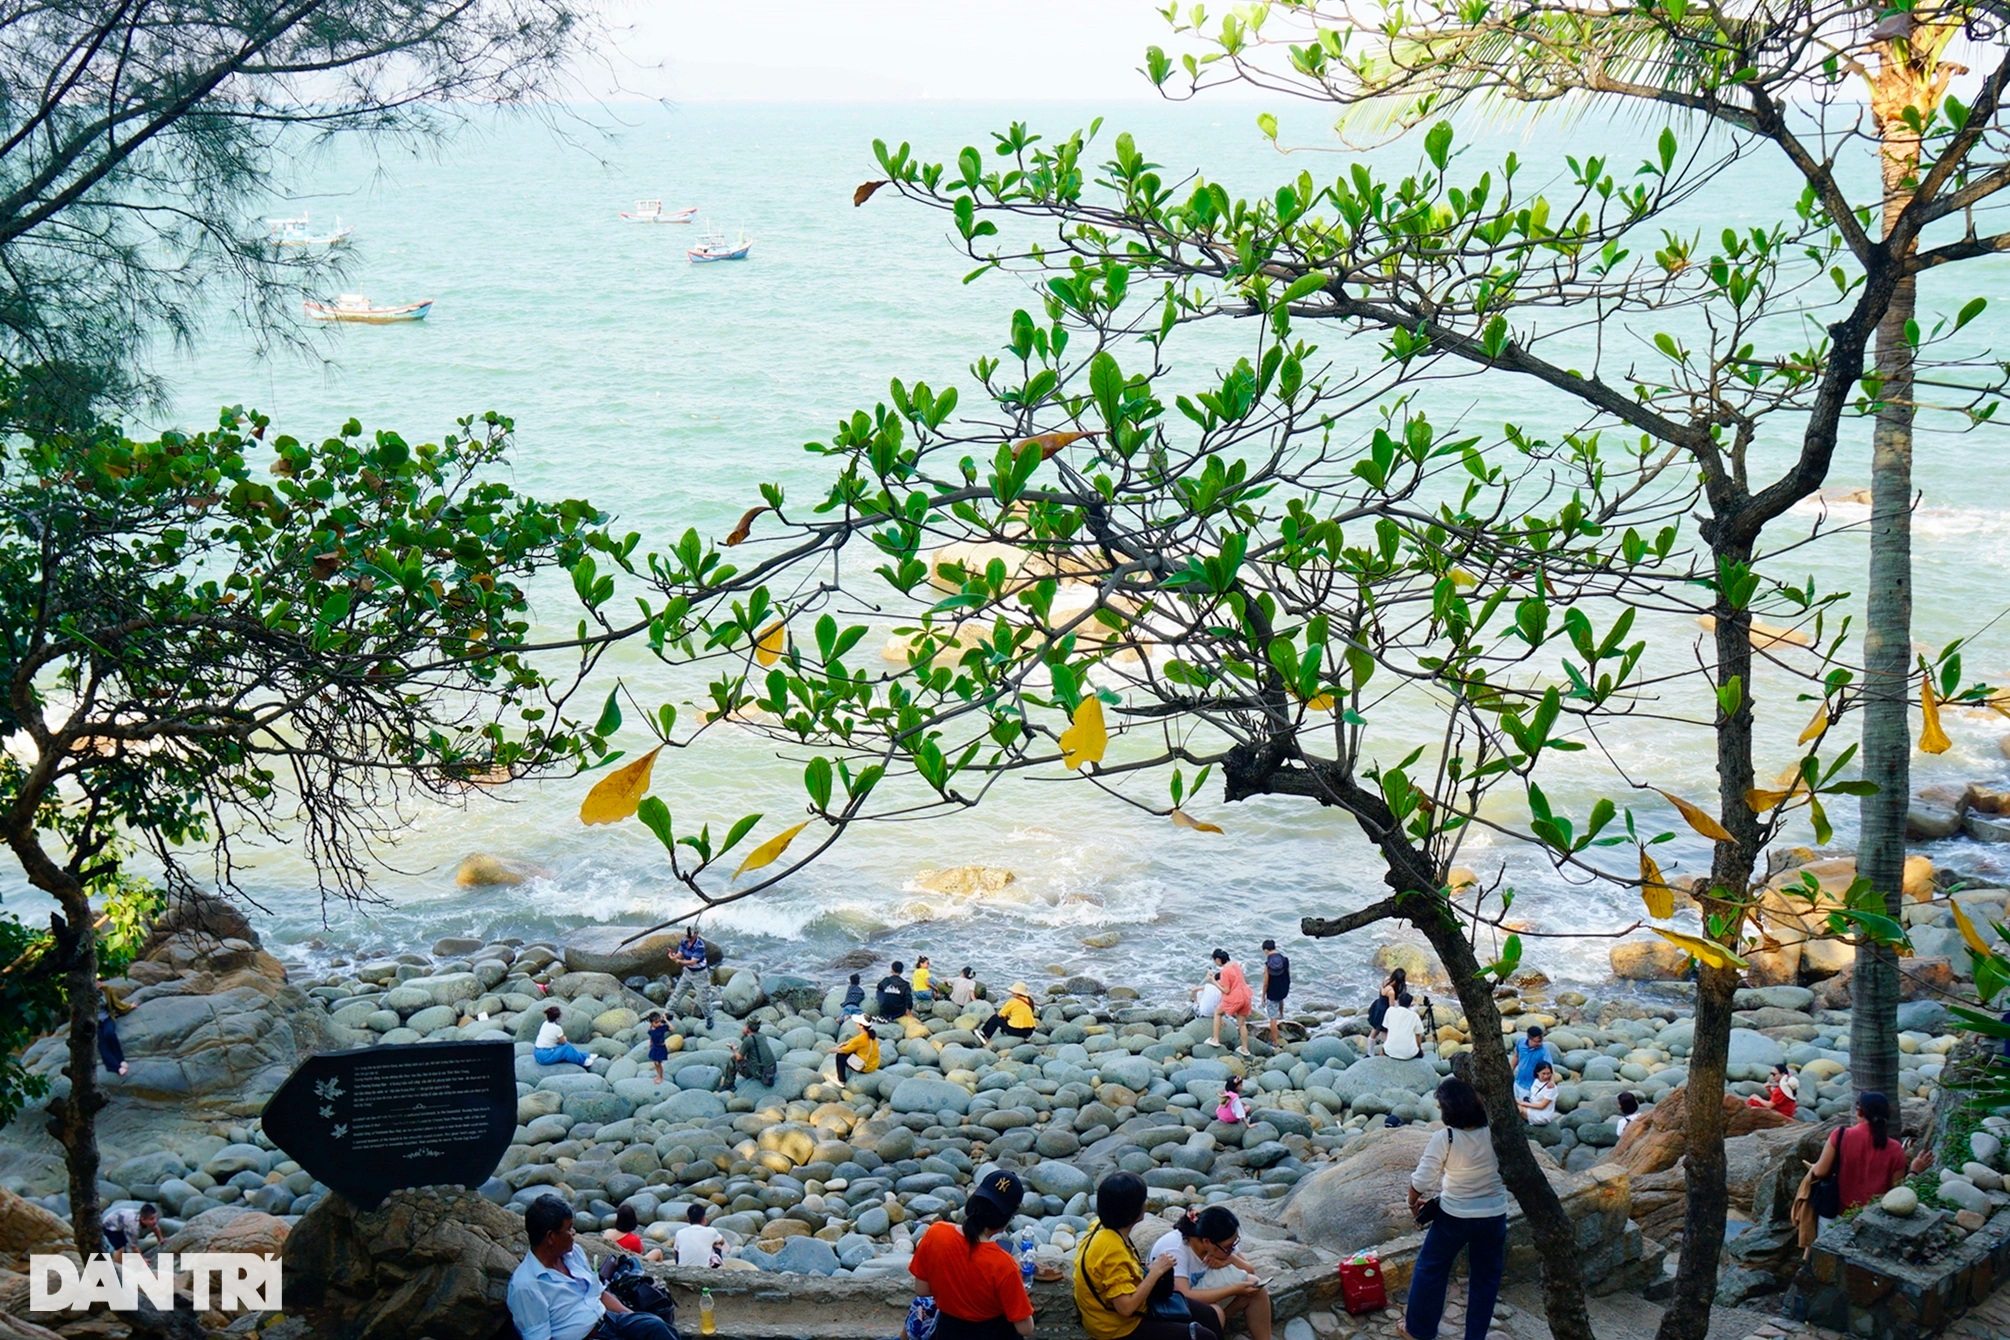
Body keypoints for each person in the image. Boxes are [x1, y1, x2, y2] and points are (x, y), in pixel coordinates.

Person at [1399, 1077, 1509, 1340]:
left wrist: (1412, 1203)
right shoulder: (1496, 1131)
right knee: (1485, 1280)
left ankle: (1418, 1331)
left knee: (1431, 1269)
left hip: (1454, 1217)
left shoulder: (1446, 1137)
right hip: (1494, 1215)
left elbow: (1422, 1180)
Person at [1074, 1171, 1222, 1340]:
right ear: (1133, 1210)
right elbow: (1126, 1308)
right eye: (1142, 1200)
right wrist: (1155, 1272)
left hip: (1130, 1310)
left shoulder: (1100, 1226)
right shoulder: (1111, 1251)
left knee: (1208, 1314)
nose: (1146, 1204)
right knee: (1203, 1337)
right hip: (1116, 1328)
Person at [507, 1194, 675, 1340]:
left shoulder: (573, 1253)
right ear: (550, 1237)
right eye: (569, 1228)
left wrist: (632, 1317)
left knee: (655, 1326)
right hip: (586, 1336)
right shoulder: (527, 1286)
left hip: (608, 1320)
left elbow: (599, 1294)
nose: (574, 1233)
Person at [910, 1167, 1036, 1339]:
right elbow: (1025, 1329)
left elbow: (922, 1290)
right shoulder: (1003, 1264)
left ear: (972, 1202)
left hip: (948, 1332)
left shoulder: (935, 1232)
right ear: (1006, 1220)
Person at [1148, 1206, 1272, 1340]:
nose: (1231, 1248)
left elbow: (1249, 1270)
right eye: (1228, 1247)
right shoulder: (1175, 1249)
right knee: (1213, 1312)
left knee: (1256, 1286)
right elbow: (1184, 1295)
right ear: (1207, 1242)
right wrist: (1234, 1289)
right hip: (1172, 1305)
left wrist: (1230, 1259)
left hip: (1199, 1290)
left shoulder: (1220, 1240)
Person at [1805, 1091, 1916, 1219]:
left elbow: (1820, 1172)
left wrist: (1814, 1166)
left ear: (1859, 1111)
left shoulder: (1840, 1135)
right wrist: (1914, 1172)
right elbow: (1896, 1191)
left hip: (1837, 1214)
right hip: (1873, 1218)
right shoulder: (1896, 1149)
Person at [1209, 949, 1252, 1056]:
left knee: (1218, 1013)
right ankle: (1245, 1049)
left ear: (1218, 960)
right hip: (1246, 995)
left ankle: (1215, 1039)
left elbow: (1226, 990)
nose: (1215, 963)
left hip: (1235, 998)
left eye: (1215, 961)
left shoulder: (1225, 971)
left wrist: (1214, 981)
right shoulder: (1235, 964)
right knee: (1242, 1024)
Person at [667, 927, 713, 1024]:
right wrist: (674, 956)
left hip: (700, 975)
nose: (688, 938)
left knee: (704, 998)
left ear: (696, 934)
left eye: (690, 936)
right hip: (687, 972)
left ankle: (709, 1017)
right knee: (677, 992)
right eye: (687, 936)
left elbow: (692, 962)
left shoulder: (699, 946)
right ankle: (668, 1012)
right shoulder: (684, 941)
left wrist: (678, 961)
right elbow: (680, 954)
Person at [1258, 939, 1290, 1048]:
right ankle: (1281, 1014)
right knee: (1280, 999)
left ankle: (1275, 1042)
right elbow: (1288, 974)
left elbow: (1266, 982)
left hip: (1272, 991)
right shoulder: (1285, 960)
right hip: (1283, 989)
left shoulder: (1268, 964)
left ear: (1266, 950)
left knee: (1272, 1018)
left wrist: (1263, 996)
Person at [728, 1020, 778, 1090]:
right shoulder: (762, 1036)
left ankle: (729, 1085)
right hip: (772, 1069)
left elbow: (739, 1058)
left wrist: (734, 1049)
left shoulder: (748, 1040)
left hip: (759, 1072)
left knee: (733, 1059)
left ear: (748, 1027)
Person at [1512, 1024, 1556, 1101]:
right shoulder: (1520, 1042)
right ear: (1529, 1038)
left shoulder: (1544, 1050)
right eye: (1537, 1042)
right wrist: (1510, 1070)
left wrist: (1552, 1081)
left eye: (1541, 1041)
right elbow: (1516, 1056)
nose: (1540, 1044)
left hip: (1531, 1086)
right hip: (1517, 1081)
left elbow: (1550, 1067)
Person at [673, 1204, 725, 1269]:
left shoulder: (679, 1233)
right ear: (704, 1219)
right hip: (704, 1270)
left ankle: (680, 1266)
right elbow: (722, 1242)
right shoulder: (711, 1231)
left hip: (683, 1270)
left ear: (688, 1219)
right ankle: (714, 1269)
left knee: (677, 1248)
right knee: (717, 1244)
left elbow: (676, 1252)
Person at [1368, 968, 1406, 1057]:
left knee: (1374, 1031)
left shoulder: (1386, 980)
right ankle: (1386, 1053)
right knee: (1386, 1034)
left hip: (1378, 1007)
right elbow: (1391, 1007)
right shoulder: (1391, 992)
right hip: (1384, 1012)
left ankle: (1370, 1053)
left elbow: (1382, 992)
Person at [833, 1017, 881, 1086]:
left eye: (857, 1023)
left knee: (839, 1056)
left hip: (865, 1068)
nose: (855, 1023)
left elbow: (845, 1050)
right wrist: (846, 1043)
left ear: (861, 1026)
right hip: (874, 1065)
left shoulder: (861, 1039)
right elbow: (854, 1041)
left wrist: (835, 1049)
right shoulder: (871, 1035)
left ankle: (841, 1080)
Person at [1382, 991, 1426, 1062]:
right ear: (1410, 1004)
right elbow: (1418, 1035)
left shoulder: (1390, 1011)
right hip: (1408, 1053)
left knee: (1384, 1049)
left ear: (1398, 1001)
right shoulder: (1414, 1016)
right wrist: (1419, 1049)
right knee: (1421, 1054)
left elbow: (1385, 1029)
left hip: (1390, 1050)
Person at [99, 982, 131, 1076]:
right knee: (101, 1043)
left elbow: (116, 1003)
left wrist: (129, 1007)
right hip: (93, 1023)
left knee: (110, 1034)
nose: (98, 983)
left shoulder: (106, 990)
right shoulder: (85, 994)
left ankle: (121, 1060)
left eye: (99, 980)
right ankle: (116, 1067)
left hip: (106, 1018)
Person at [1517, 1062, 1560, 1126]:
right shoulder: (1536, 1081)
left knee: (1518, 1107)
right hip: (1533, 1106)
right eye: (1543, 1073)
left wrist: (1522, 1103)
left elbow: (1542, 1106)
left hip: (1542, 1114)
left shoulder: (1551, 1088)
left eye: (1548, 1074)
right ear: (1538, 1072)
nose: (1546, 1076)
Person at [646, 1012, 671, 1085]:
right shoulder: (651, 1029)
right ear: (652, 1023)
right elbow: (651, 1037)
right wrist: (650, 1043)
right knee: (655, 1063)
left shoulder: (662, 1028)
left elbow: (672, 1028)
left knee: (658, 1063)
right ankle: (658, 1075)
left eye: (659, 1021)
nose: (658, 1024)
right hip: (655, 1046)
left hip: (661, 1047)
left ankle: (660, 1077)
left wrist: (666, 1020)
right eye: (656, 1022)